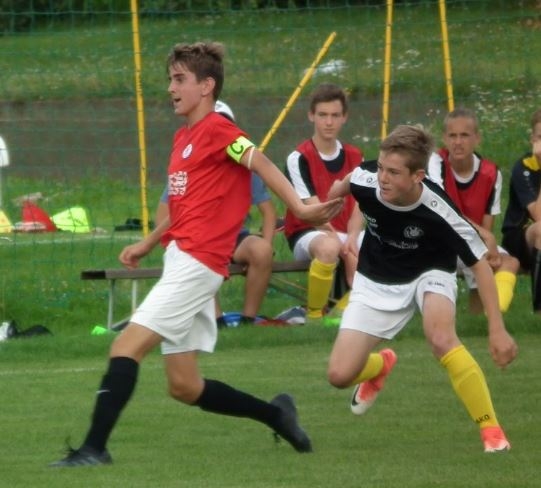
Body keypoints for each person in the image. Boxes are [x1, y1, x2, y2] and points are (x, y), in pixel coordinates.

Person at [50, 41, 344, 467]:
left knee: (125, 347)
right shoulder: (183, 138)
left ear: (206, 86)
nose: (171, 88)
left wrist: (299, 207)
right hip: (181, 260)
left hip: (197, 265)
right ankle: (277, 414)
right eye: (170, 79)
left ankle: (94, 449)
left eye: (179, 79)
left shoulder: (220, 131)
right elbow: (184, 209)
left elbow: (260, 161)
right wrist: (149, 242)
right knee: (184, 386)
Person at [326, 124, 517, 453]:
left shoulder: (439, 210)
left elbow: (480, 266)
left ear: (418, 176)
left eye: (393, 172)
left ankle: (491, 430)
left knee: (440, 337)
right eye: (381, 168)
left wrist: (497, 330)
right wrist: (335, 219)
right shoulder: (366, 178)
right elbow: (341, 189)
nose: (383, 178)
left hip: (431, 270)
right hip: (377, 275)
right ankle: (380, 366)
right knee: (339, 375)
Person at [156, 100, 277, 326]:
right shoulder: (188, 166)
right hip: (199, 239)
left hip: (234, 238)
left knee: (261, 251)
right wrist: (172, 244)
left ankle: (248, 321)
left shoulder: (245, 165)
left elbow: (269, 212)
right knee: (193, 256)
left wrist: (268, 247)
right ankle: (217, 321)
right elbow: (164, 213)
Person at [427, 108, 520, 314]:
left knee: (509, 262)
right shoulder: (435, 163)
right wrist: (486, 237)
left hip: (471, 241)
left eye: (464, 135)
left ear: (477, 138)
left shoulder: (491, 173)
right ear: (444, 138)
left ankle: (490, 316)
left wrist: (487, 246)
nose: (458, 142)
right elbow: (443, 211)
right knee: (476, 255)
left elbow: (487, 224)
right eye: (452, 136)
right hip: (439, 243)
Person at [284, 83, 364, 319]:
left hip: (346, 233)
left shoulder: (356, 156)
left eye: (335, 115)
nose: (329, 122)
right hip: (308, 232)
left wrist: (352, 238)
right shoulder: (298, 158)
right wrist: (345, 250)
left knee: (385, 245)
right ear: (311, 116)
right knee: (330, 248)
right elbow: (314, 213)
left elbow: (360, 206)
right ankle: (315, 316)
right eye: (323, 115)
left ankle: (344, 312)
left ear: (344, 117)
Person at [501, 108, 541, 313]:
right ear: (532, 139)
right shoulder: (523, 168)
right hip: (518, 239)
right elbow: (538, 216)